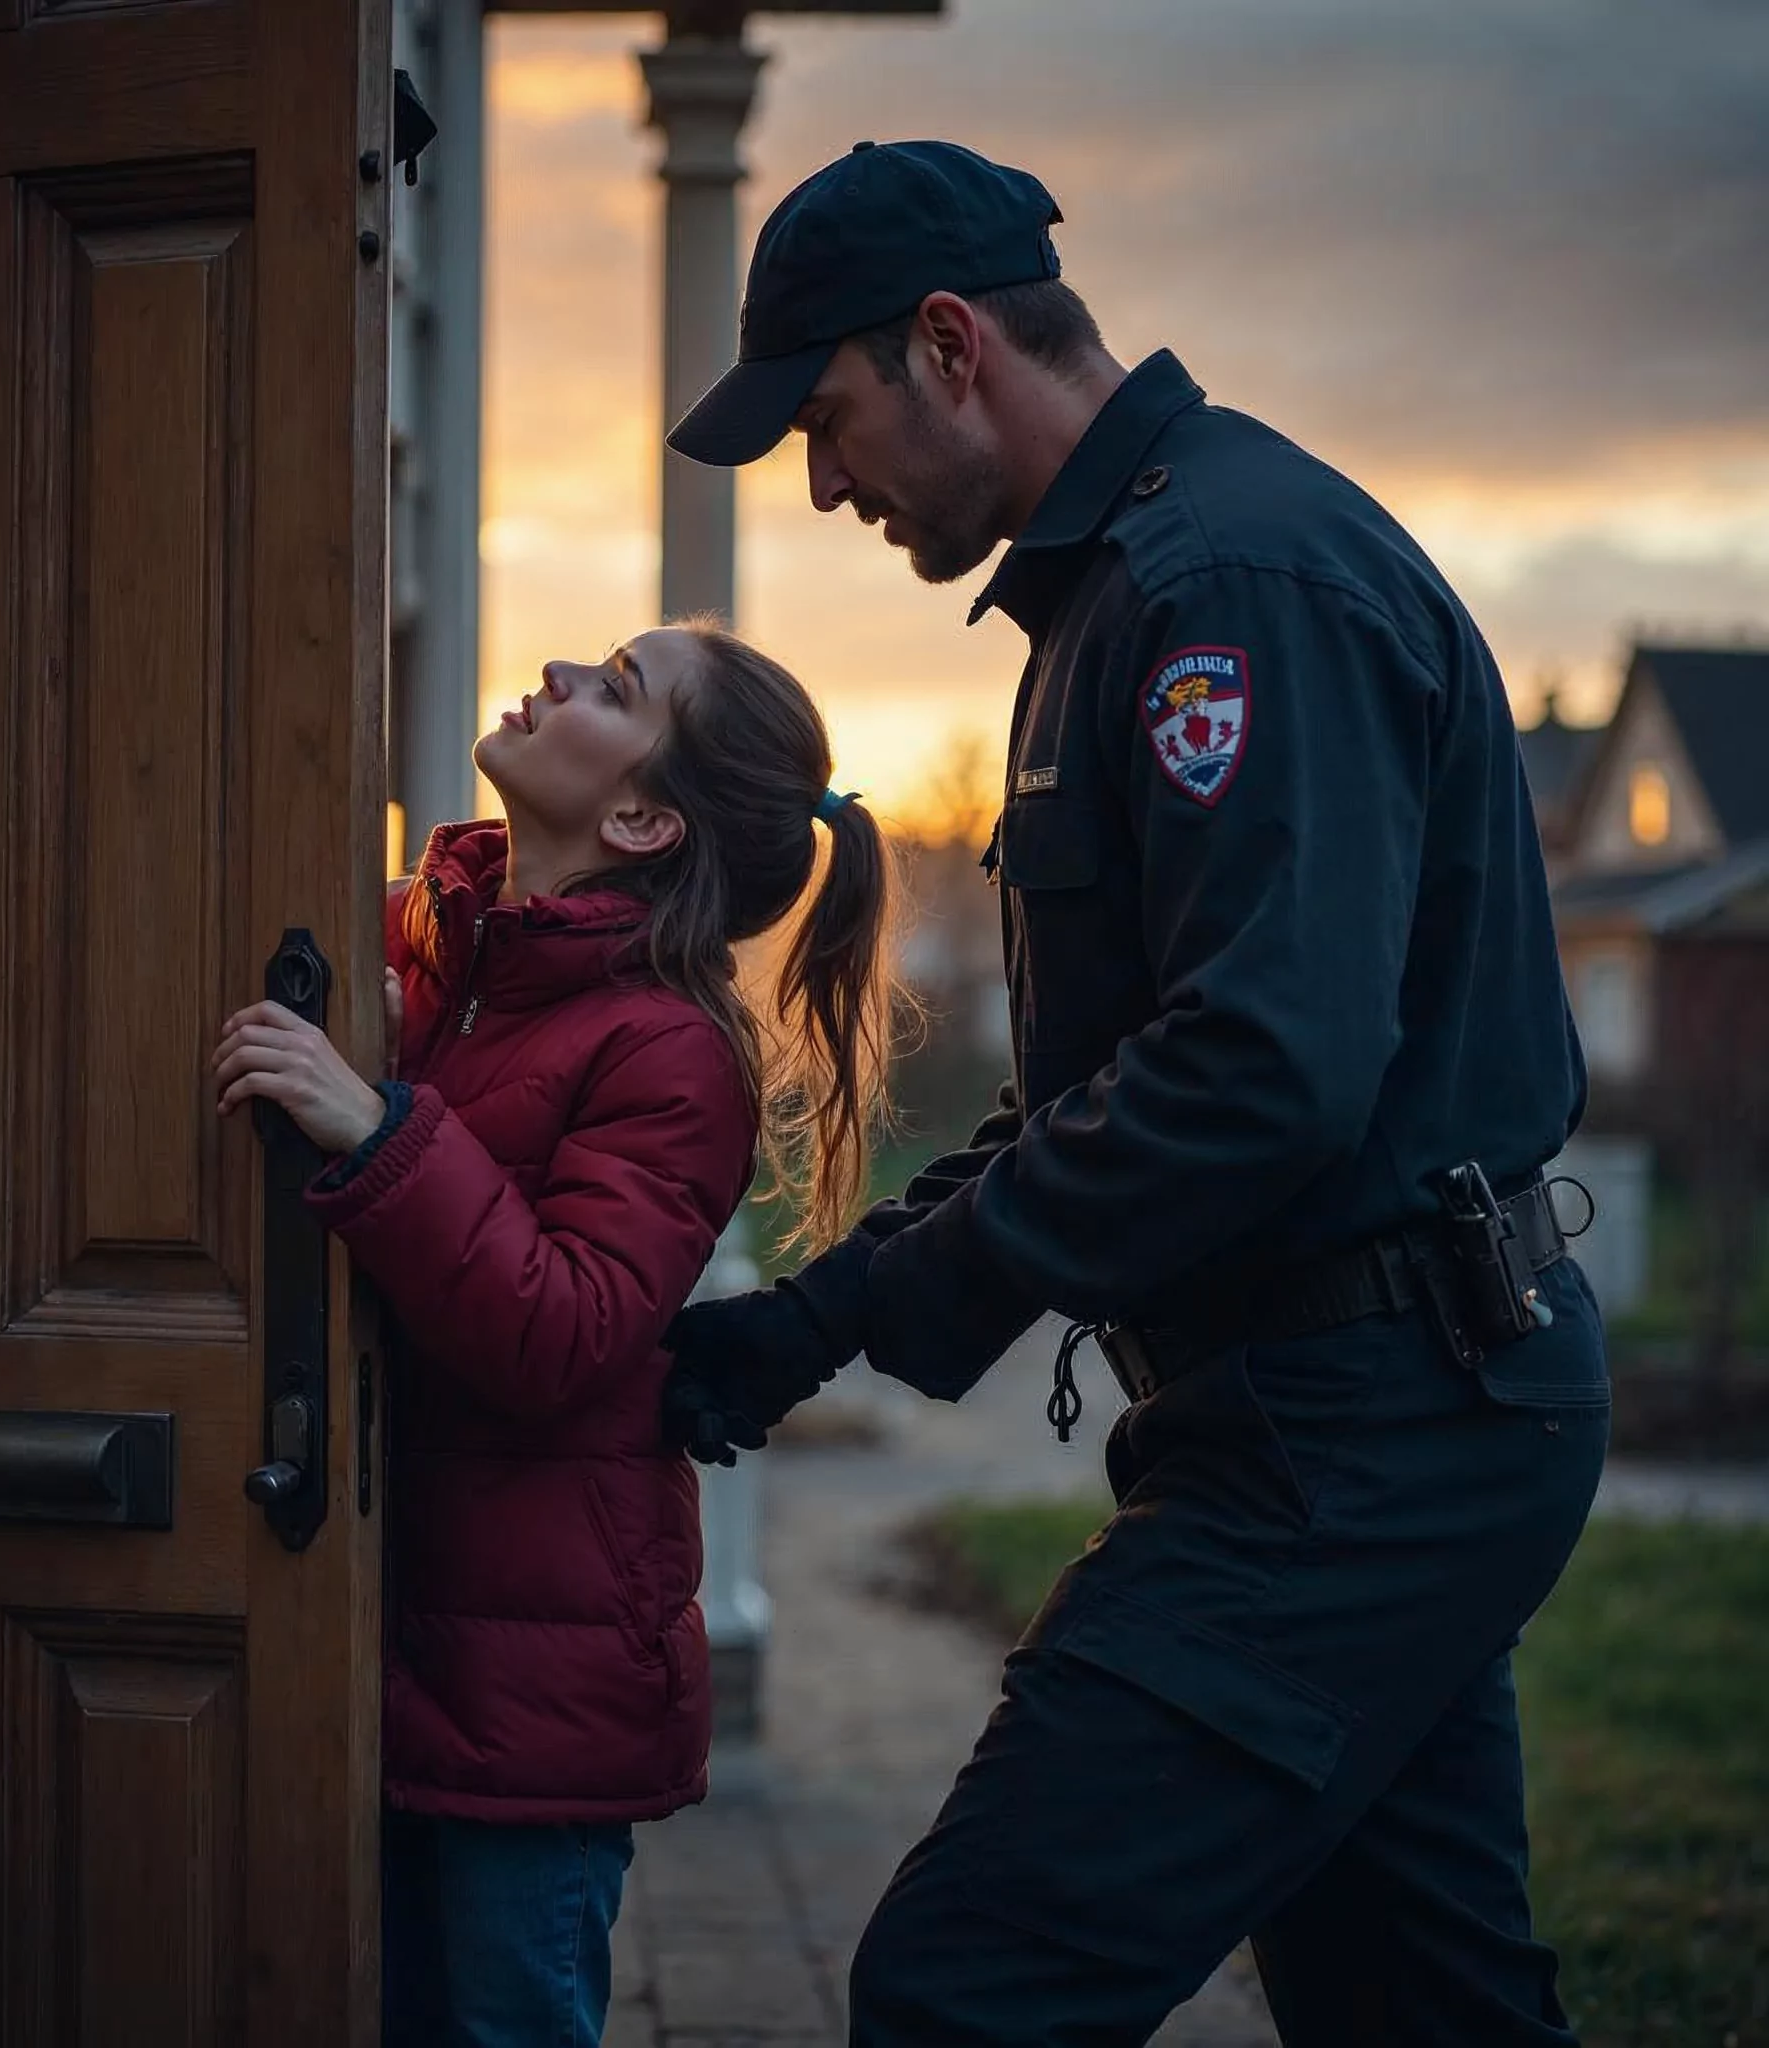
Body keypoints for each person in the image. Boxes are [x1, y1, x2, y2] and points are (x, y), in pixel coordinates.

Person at [660, 140, 1609, 2046]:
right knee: (1421, 2013)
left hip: (1366, 1435)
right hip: (1348, 1411)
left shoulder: (1227, 588)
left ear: (947, 345)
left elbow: (1259, 1076)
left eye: (826, 422)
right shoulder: (1119, 597)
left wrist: (850, 1309)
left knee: (966, 1988)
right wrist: (799, 1328)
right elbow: (1105, 1088)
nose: (823, 482)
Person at [210, 621, 898, 2047]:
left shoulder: (670, 1048)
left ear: (645, 816)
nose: (562, 676)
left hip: (536, 1699)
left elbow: (563, 1330)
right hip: (389, 1651)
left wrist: (376, 1125)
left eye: (618, 689)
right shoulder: (457, 969)